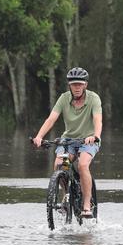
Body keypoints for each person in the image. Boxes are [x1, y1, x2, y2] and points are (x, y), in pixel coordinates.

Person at [32, 67, 102, 218]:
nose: (77, 87)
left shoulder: (93, 98)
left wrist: (95, 136)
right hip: (68, 142)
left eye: (79, 84)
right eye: (73, 84)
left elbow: (97, 119)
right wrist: (39, 137)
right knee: (60, 165)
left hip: (88, 141)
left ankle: (86, 204)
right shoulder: (64, 98)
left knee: (83, 165)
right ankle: (66, 196)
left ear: (85, 85)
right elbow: (51, 119)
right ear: (69, 85)